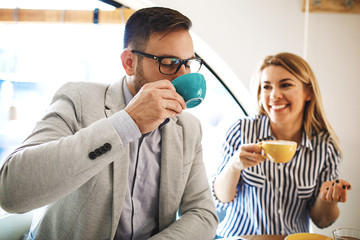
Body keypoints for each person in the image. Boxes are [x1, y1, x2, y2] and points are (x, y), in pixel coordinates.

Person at [0, 7, 218, 239]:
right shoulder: (78, 99)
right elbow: (10, 192)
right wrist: (127, 123)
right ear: (129, 63)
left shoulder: (189, 129)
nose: (183, 75)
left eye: (188, 63)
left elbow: (203, 213)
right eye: (170, 62)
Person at [212, 52, 352, 237]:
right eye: (266, 87)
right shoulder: (241, 131)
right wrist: (234, 165)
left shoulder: (325, 146)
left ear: (308, 92)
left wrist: (329, 199)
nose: (274, 95)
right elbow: (221, 199)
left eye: (285, 85)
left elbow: (322, 220)